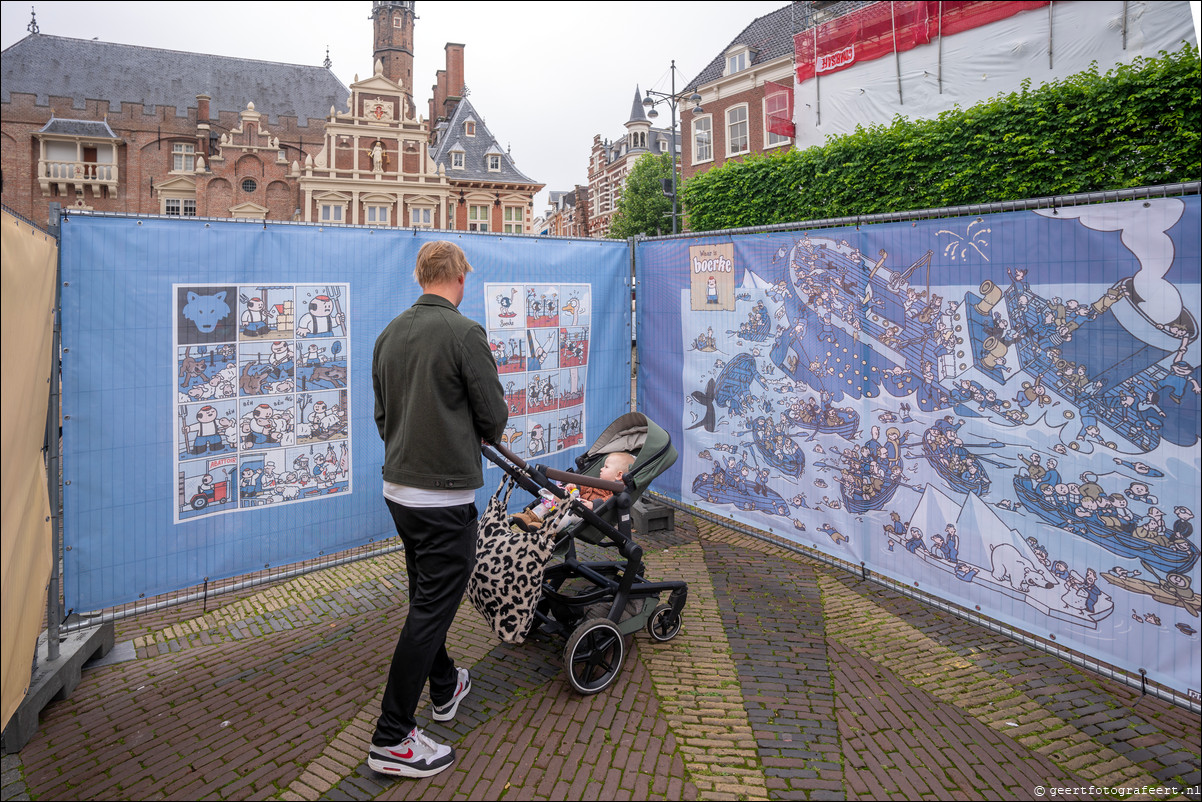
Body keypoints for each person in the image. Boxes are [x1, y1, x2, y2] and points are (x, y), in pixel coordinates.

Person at [368, 240, 508, 778]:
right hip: (445, 495)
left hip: (400, 491)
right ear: (460, 277)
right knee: (430, 609)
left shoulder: (388, 335)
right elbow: (492, 416)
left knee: (427, 598)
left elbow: (384, 416)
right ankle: (392, 736)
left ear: (419, 276)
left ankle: (446, 685)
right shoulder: (464, 332)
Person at [509, 451, 636, 532]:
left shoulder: (618, 491)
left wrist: (594, 505)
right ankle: (530, 516)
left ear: (619, 475)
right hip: (576, 502)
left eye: (606, 467)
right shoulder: (600, 482)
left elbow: (609, 501)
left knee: (569, 514)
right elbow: (587, 486)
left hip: (586, 514)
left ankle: (547, 530)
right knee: (556, 497)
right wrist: (576, 486)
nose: (601, 469)